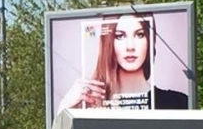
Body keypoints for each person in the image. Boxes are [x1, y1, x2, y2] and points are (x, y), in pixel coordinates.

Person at [58, 12, 188, 113]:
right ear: (108, 43)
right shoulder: (89, 106)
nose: (130, 46)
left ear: (150, 40)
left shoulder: (178, 103)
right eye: (120, 36)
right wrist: (64, 109)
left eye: (139, 35)